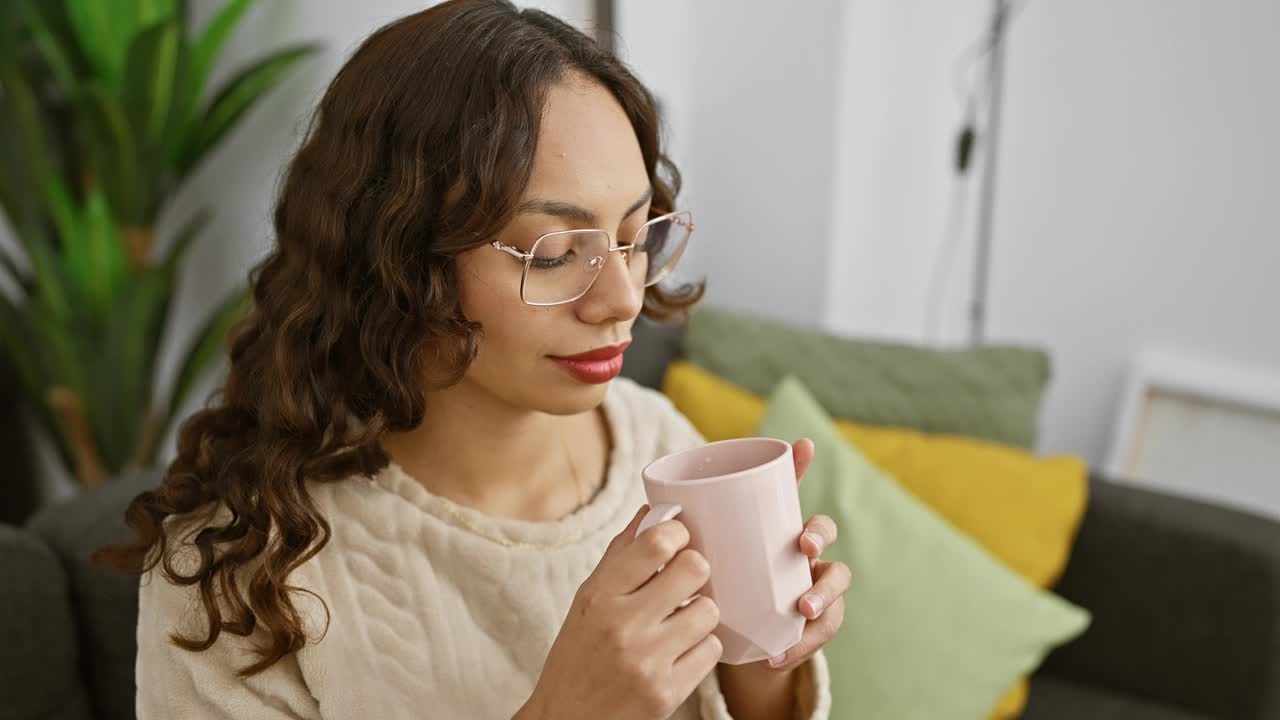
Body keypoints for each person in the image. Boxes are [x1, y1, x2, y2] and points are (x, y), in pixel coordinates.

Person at [100, 2, 850, 717]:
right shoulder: (236, 570)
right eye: (556, 253)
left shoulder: (658, 445)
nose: (621, 299)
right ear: (399, 255)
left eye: (633, 236)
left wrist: (760, 657)